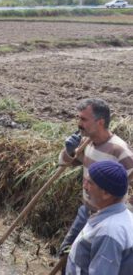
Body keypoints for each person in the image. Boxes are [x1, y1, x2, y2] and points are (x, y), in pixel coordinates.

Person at [58, 98, 133, 257]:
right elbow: (63, 164)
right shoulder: (87, 143)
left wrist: (126, 213)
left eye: (84, 119)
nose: (79, 123)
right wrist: (69, 151)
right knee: (65, 254)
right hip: (86, 212)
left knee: (91, 261)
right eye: (78, 118)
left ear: (100, 122)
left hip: (108, 219)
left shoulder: (119, 151)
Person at [65, 160, 133, 274]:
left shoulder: (109, 232)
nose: (84, 186)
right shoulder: (122, 216)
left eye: (90, 183)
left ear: (106, 194)